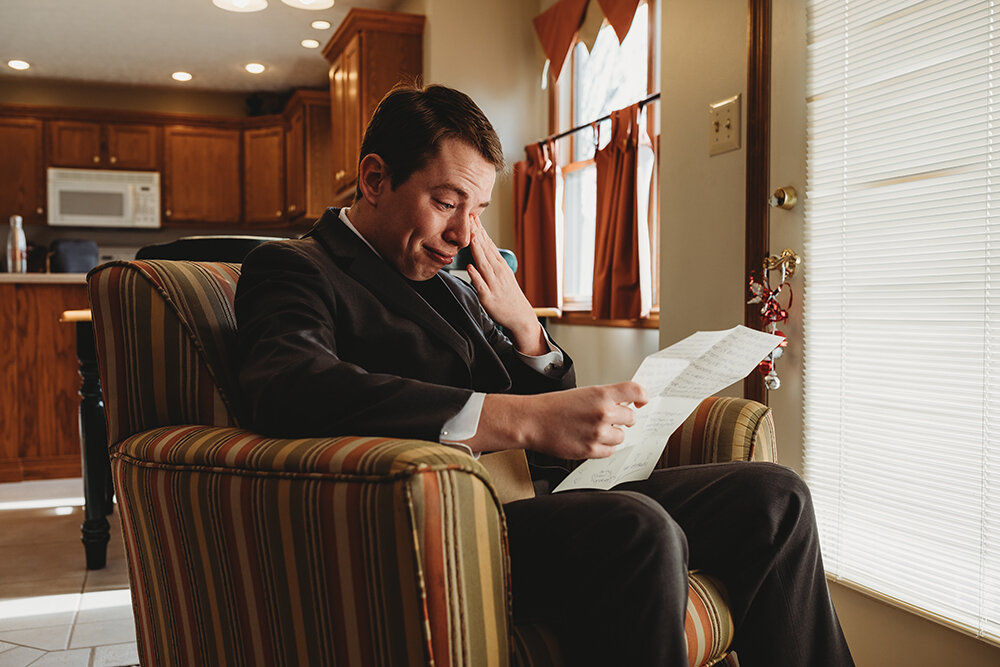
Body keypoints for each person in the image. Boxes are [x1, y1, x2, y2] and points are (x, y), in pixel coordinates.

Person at [235, 83, 854, 666]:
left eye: (475, 210)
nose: (460, 234)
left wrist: (528, 331)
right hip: (445, 524)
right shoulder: (295, 268)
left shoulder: (454, 280)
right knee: (639, 529)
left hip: (545, 498)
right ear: (375, 178)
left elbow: (549, 410)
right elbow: (290, 384)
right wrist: (522, 419)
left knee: (776, 496)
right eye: (446, 202)